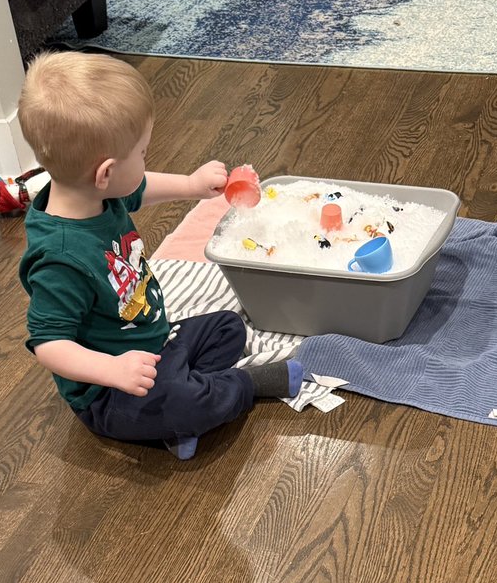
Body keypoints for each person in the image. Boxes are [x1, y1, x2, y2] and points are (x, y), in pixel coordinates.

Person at [16, 51, 302, 459]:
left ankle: (174, 418)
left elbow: (139, 187)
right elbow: (49, 344)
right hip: (111, 393)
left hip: (157, 345)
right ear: (105, 173)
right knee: (188, 400)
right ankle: (246, 386)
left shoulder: (95, 193)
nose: (146, 160)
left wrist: (191, 185)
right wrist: (113, 370)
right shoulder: (60, 259)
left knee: (227, 328)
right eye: (142, 153)